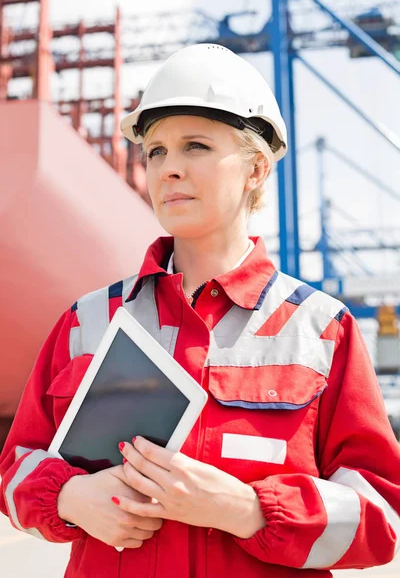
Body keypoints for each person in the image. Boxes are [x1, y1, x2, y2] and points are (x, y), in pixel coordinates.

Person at [1, 43, 400, 578]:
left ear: (256, 169)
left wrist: (249, 511)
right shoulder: (87, 321)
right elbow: (14, 469)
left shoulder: (320, 329)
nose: (168, 170)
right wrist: (70, 496)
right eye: (156, 151)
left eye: (195, 146)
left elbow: (382, 515)